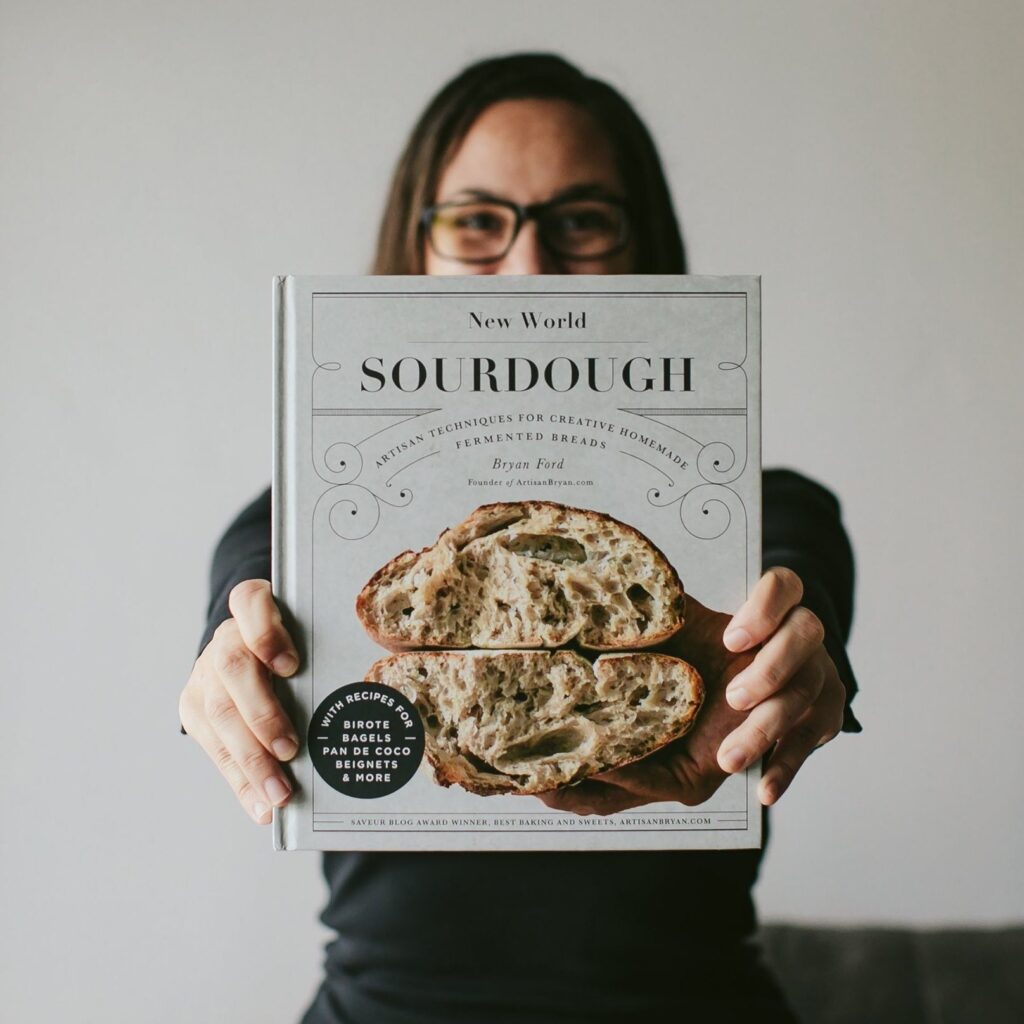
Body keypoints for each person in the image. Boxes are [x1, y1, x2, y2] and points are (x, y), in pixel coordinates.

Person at [179, 53, 862, 1023]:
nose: (529, 266)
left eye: (581, 219)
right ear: (416, 250)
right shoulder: (299, 520)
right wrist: (227, 665)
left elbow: (802, 592)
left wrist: (797, 665)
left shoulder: (771, 511)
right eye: (476, 220)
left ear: (643, 248)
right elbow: (250, 594)